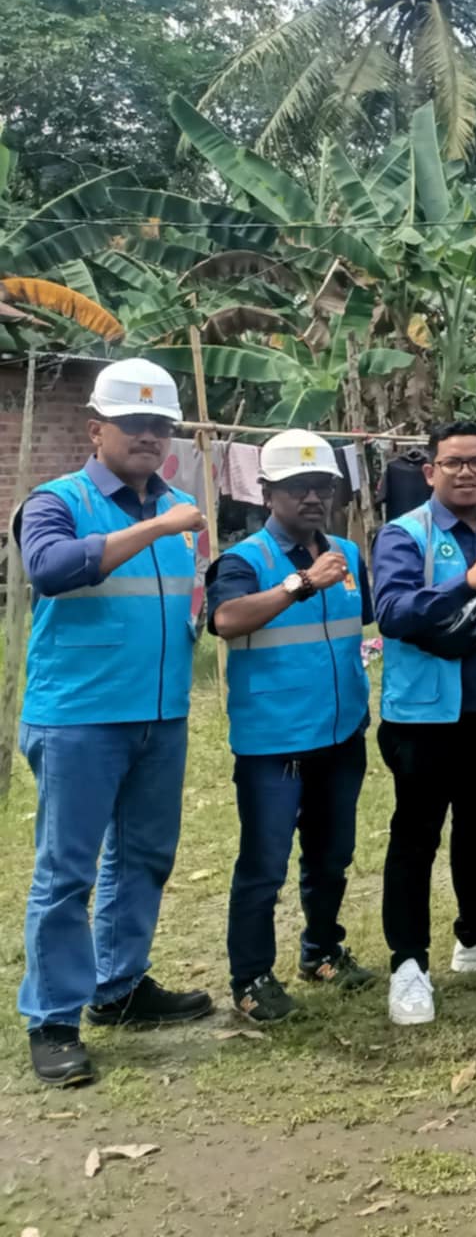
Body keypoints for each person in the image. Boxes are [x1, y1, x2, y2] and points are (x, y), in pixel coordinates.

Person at [14, 359, 212, 1087]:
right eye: (133, 424)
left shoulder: (181, 506)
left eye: (160, 425)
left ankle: (120, 986)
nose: (148, 437)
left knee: (144, 856)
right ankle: (53, 1019)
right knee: (66, 873)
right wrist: (157, 526)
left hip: (160, 713)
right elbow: (50, 569)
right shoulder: (56, 500)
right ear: (96, 430)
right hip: (79, 717)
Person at [373, 421, 476, 1026]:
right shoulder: (404, 534)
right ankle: (407, 964)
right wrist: (462, 583)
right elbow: (392, 613)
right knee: (416, 835)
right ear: (430, 472)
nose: (465, 472)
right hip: (425, 716)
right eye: (453, 463)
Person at [207, 431, 373, 1024]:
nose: (312, 498)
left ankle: (322, 950)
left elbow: (361, 624)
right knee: (264, 866)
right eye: (297, 487)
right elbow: (226, 619)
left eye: (321, 486)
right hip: (274, 743)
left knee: (332, 856)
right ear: (266, 492)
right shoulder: (244, 560)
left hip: (341, 733)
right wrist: (300, 583)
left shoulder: (347, 555)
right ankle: (251, 978)